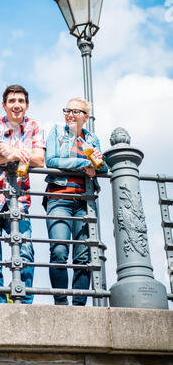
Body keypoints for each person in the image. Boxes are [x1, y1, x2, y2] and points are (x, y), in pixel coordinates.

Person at [0, 85, 45, 304]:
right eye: (12, 101)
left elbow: (39, 160)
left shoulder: (34, 126)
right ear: (4, 105)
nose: (17, 105)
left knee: (25, 254)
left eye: (21, 101)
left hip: (19, 200)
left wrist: (10, 152)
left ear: (27, 105)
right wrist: (6, 154)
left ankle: (24, 305)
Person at [44, 97, 107, 306]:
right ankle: (61, 303)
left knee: (83, 256)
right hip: (59, 197)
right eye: (67, 110)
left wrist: (97, 166)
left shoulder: (92, 139)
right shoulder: (57, 132)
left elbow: (104, 168)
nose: (70, 115)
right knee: (60, 250)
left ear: (86, 117)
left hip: (84, 202)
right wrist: (84, 163)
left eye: (76, 111)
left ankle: (79, 306)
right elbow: (52, 160)